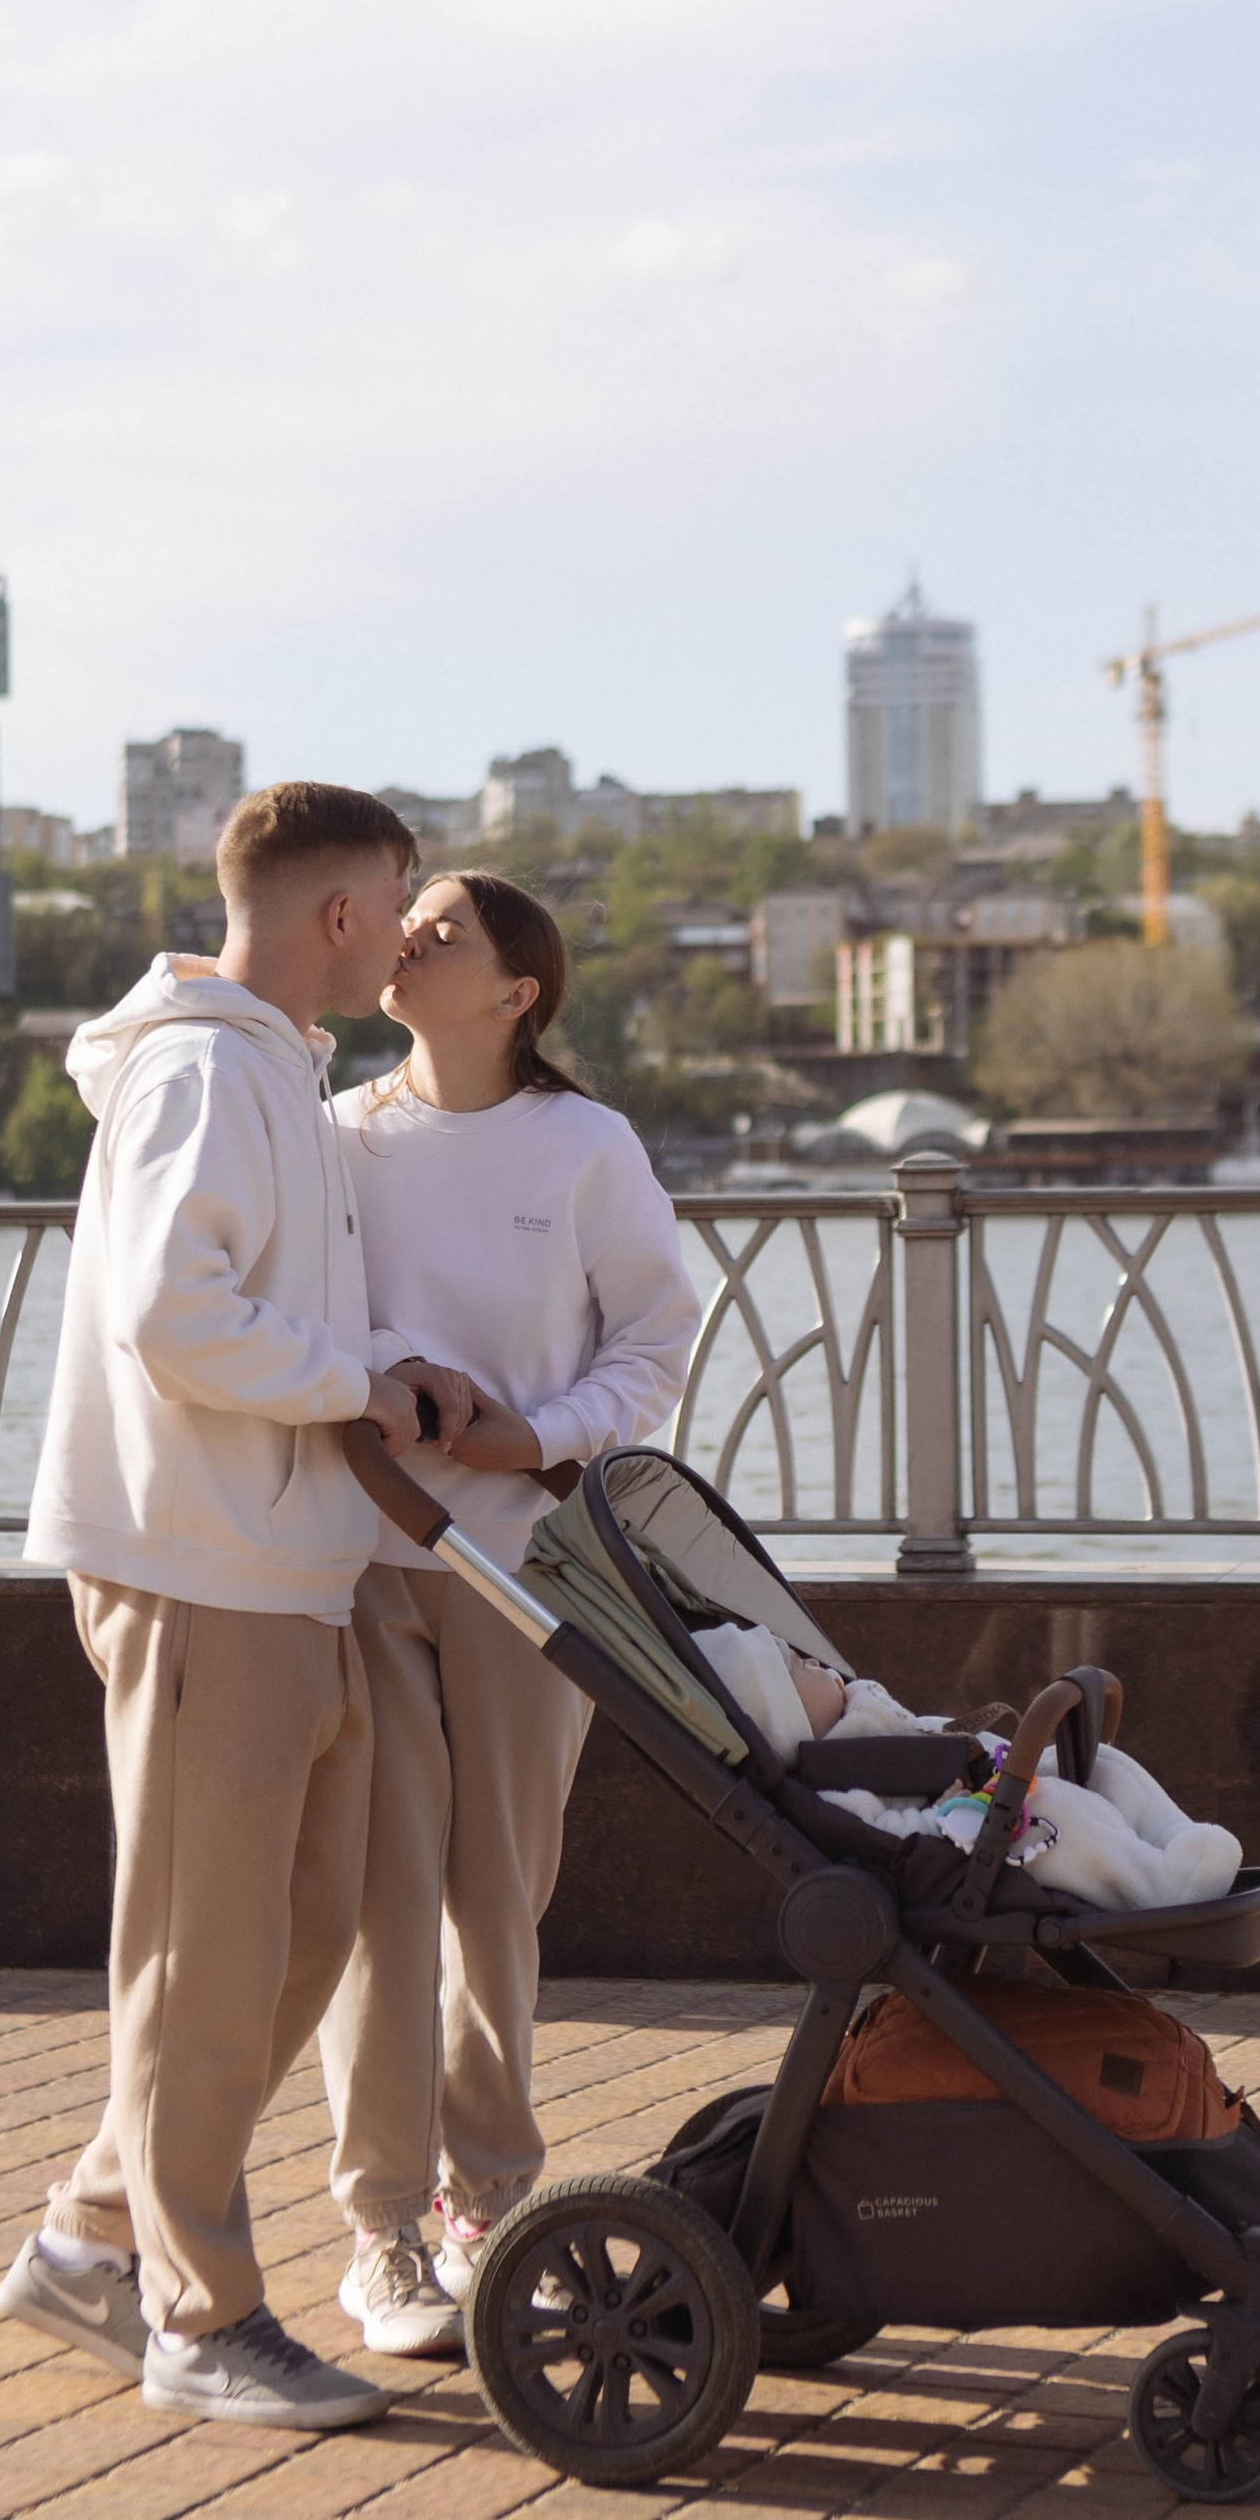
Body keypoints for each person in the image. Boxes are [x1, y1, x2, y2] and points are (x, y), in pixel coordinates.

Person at [0, 783, 478, 2434]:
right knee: (204, 1951)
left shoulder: (274, 1066)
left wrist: (365, 1385)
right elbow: (169, 1313)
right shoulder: (203, 1070)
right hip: (201, 1568)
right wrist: (360, 1380)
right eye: (396, 902)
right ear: (336, 914)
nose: (410, 933)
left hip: (283, 1565)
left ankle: (91, 2233)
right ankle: (200, 2319)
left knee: (305, 1930)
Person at [318, 868, 699, 2357]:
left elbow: (658, 1340)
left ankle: (492, 2198)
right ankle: (383, 2228)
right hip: (368, 1556)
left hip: (538, 1568)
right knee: (382, 1896)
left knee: (499, 1899)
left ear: (516, 990)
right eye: (404, 919)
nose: (409, 938)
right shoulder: (338, 1135)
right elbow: (316, 1320)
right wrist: (413, 1385)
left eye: (445, 928)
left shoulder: (584, 1144)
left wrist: (528, 1438)